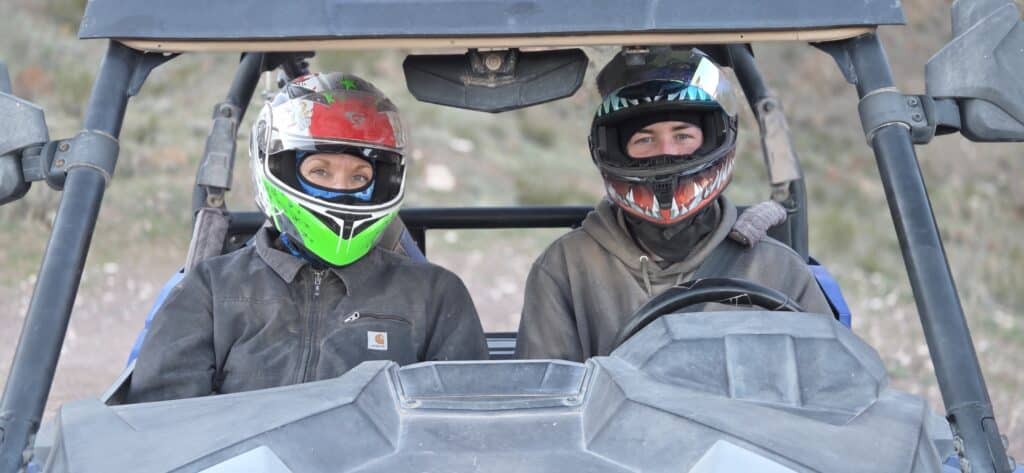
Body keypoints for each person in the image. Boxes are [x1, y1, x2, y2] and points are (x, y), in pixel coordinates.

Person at [127, 73, 488, 402]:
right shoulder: (211, 288)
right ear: (278, 168)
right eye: (320, 171)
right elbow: (160, 420)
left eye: (359, 177)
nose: (341, 189)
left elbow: (465, 424)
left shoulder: (434, 294)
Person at [516, 48, 832, 361]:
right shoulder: (567, 268)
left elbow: (830, 387)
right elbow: (544, 396)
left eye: (683, 136)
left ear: (713, 138)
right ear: (614, 151)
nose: (665, 152)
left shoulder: (776, 269)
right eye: (645, 140)